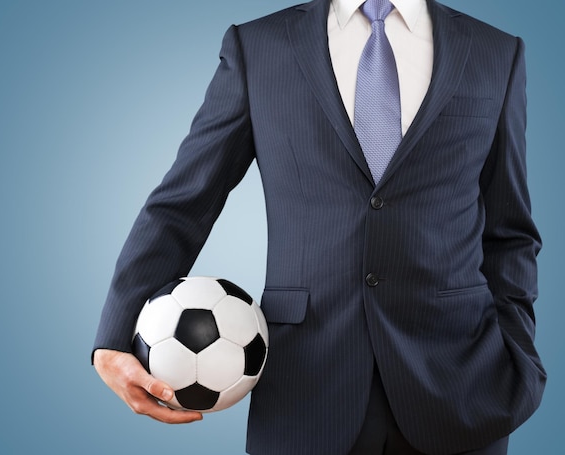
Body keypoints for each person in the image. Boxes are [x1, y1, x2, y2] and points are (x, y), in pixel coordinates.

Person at [92, 0, 546, 453]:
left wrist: (519, 353)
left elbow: (510, 231)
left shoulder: (496, 52)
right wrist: (113, 340)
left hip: (461, 386)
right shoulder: (259, 47)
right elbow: (184, 203)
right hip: (305, 388)